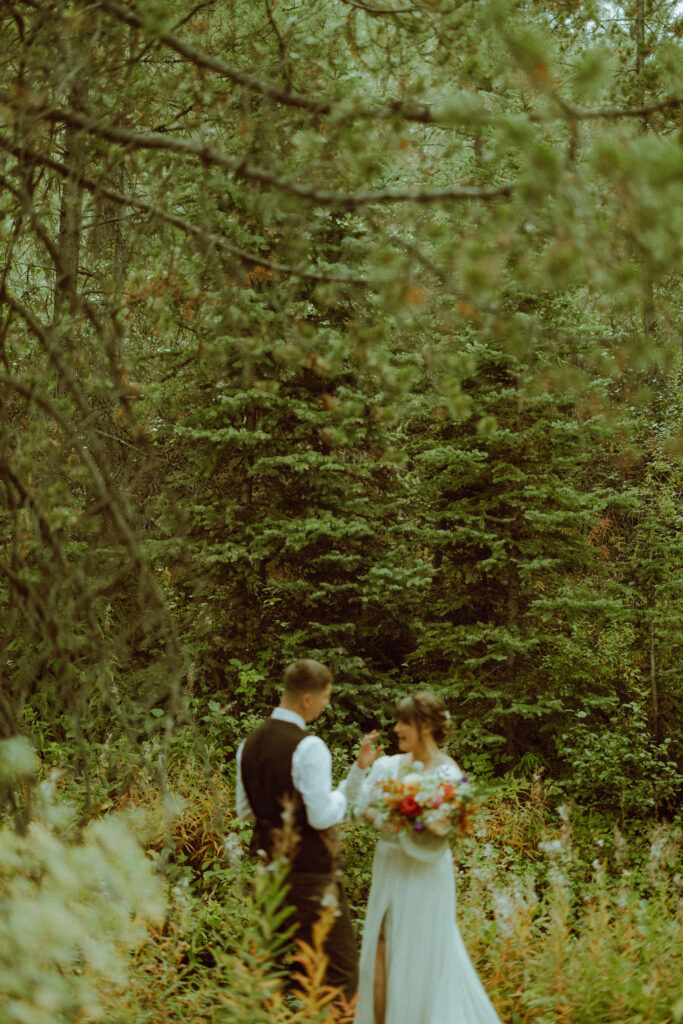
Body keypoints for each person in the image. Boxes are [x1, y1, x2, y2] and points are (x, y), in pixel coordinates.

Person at [236, 657, 382, 1001]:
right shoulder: (309, 746)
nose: (326, 704)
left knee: (275, 968)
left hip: (268, 870)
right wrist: (345, 799)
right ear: (308, 699)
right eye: (326, 697)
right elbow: (322, 817)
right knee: (340, 970)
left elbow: (245, 811)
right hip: (312, 874)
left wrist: (357, 772)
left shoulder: (249, 744)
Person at [353, 692, 502, 1024]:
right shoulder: (387, 766)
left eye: (404, 722)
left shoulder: (449, 775)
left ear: (426, 726)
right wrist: (382, 818)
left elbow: (451, 827)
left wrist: (424, 822)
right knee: (378, 950)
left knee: (419, 952)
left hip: (426, 872)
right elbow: (361, 808)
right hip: (390, 866)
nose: (396, 729)